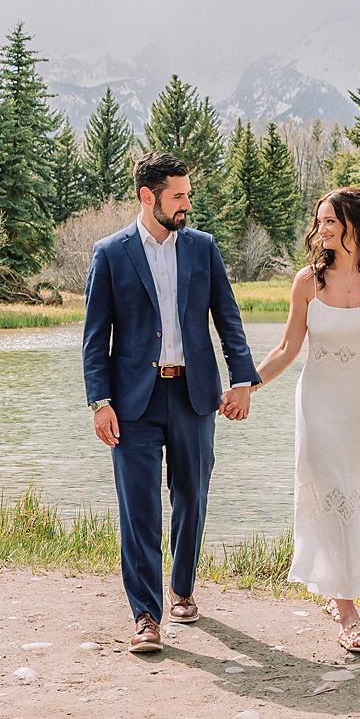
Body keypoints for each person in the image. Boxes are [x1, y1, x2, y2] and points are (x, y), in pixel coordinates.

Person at [82, 151, 260, 654]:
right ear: (148, 196)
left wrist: (243, 379)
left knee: (192, 497)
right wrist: (100, 400)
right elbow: (95, 337)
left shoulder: (202, 248)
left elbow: (229, 319)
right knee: (138, 508)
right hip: (132, 402)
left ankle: (181, 590)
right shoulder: (110, 253)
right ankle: (145, 615)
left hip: (193, 394)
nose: (186, 203)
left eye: (187, 193)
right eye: (177, 195)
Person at [251, 186, 360, 653]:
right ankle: (347, 613)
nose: (321, 230)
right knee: (331, 496)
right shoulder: (307, 282)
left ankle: (342, 588)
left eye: (330, 222)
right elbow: (286, 350)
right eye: (319, 222)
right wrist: (245, 386)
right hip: (319, 408)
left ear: (353, 226)